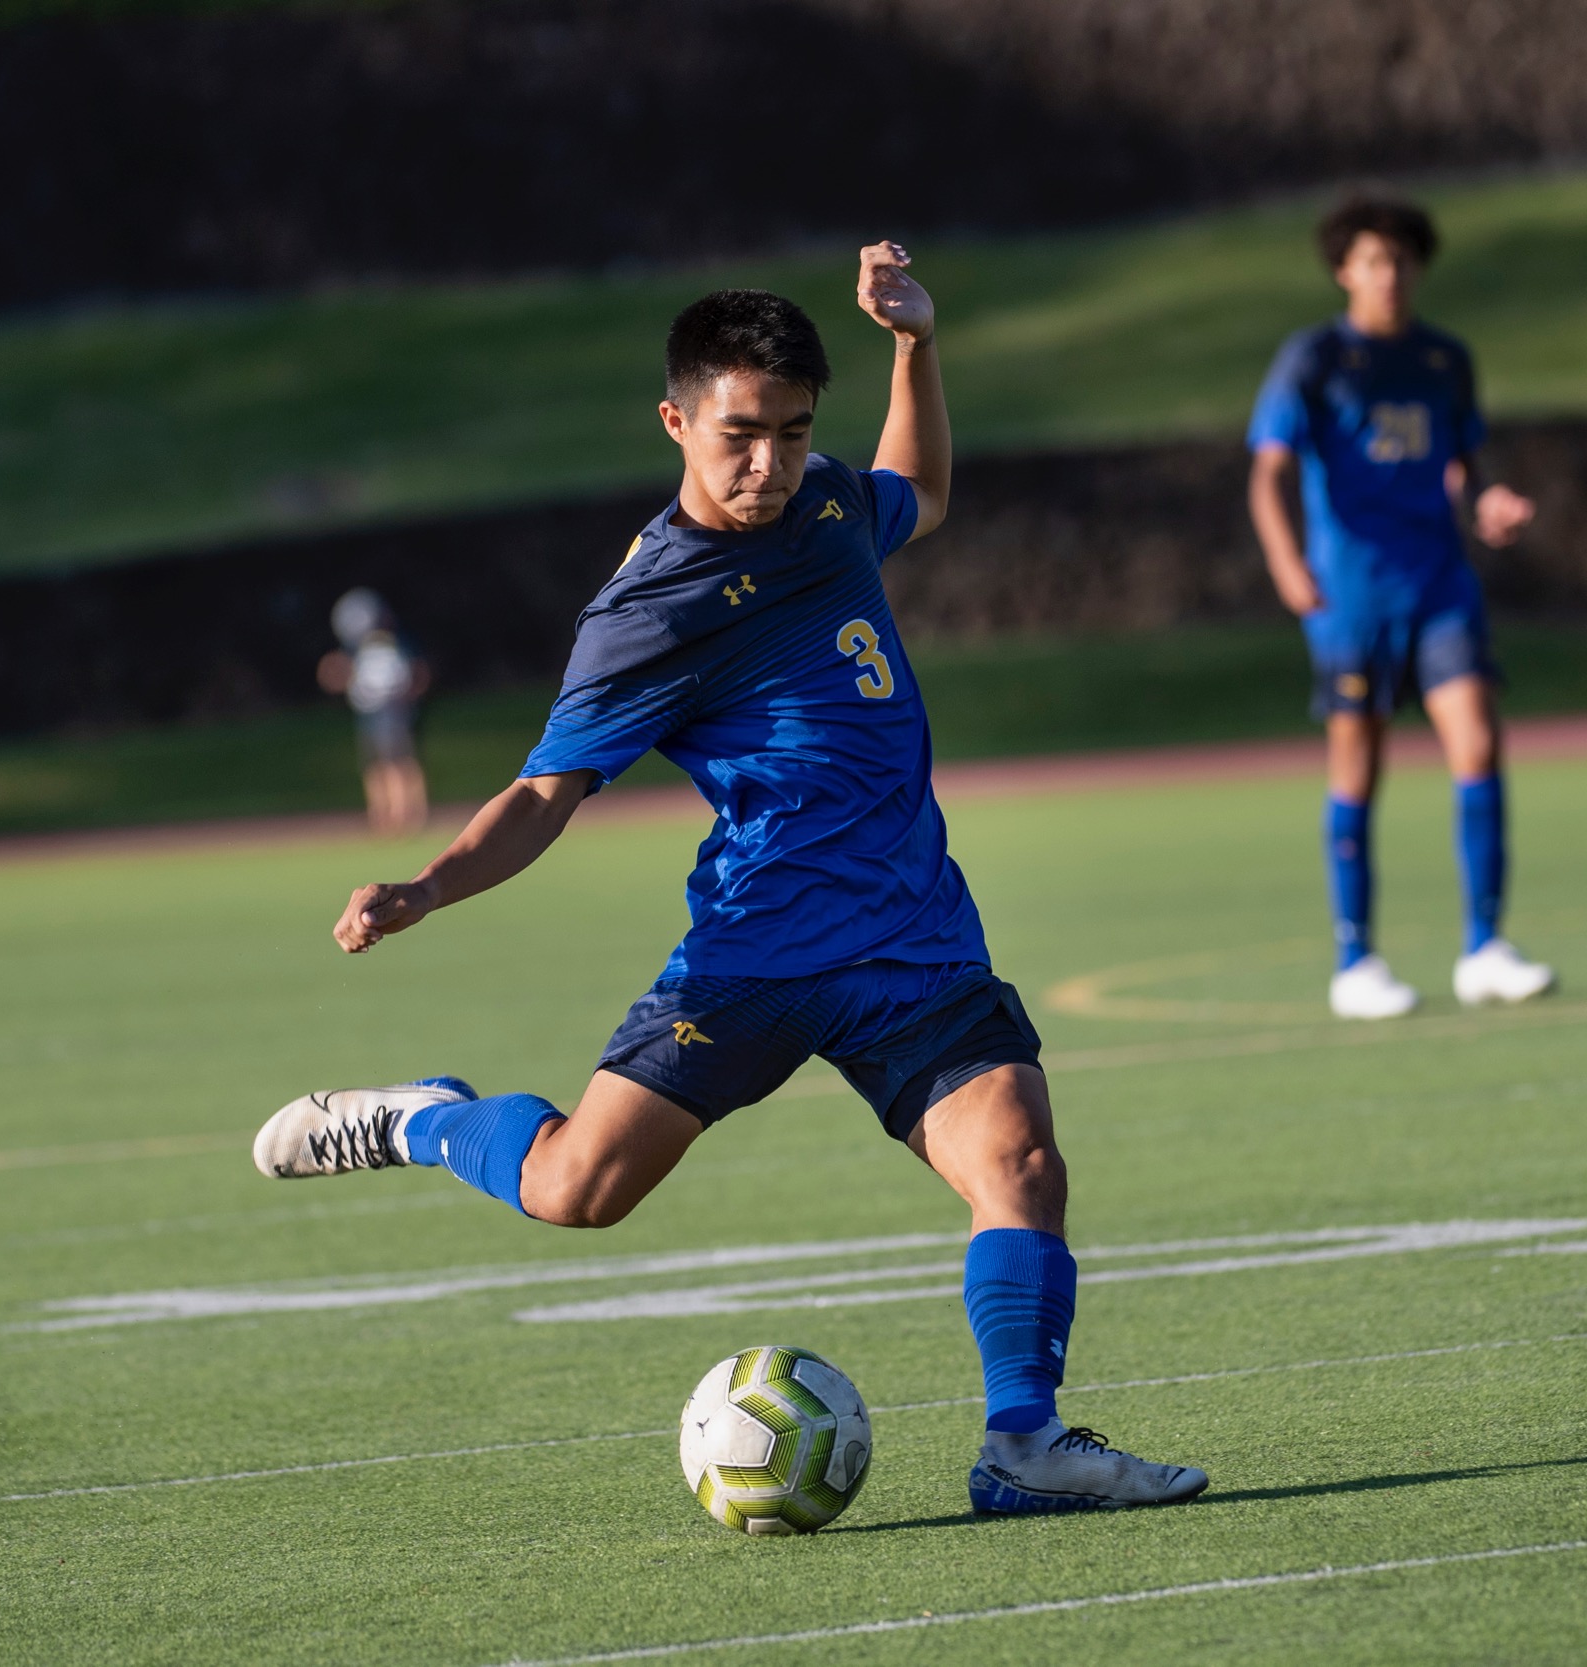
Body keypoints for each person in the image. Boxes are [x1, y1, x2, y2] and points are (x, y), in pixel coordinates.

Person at [252, 248, 1209, 1515]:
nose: (769, 462)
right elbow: (545, 793)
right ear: (676, 421)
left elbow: (914, 489)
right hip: (753, 952)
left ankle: (1021, 1444)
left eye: (793, 430)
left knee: (1020, 1163)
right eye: (740, 435)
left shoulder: (821, 503)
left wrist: (916, 347)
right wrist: (425, 885)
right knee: (574, 1191)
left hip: (911, 937)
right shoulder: (644, 613)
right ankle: (430, 1116)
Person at [1247, 194, 1555, 1020]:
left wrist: (1488, 500)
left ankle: (1484, 947)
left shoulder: (1445, 360)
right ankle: (1356, 960)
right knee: (1360, 766)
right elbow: (1269, 469)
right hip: (1351, 595)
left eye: (1403, 260)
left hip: (1441, 585)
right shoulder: (1313, 359)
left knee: (1480, 744)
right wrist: (1285, 561)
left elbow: (1466, 464)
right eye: (1374, 260)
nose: (1390, 275)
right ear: (1346, 270)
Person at [317, 588, 432, 836]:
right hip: (370, 713)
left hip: (397, 711)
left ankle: (411, 813)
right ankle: (382, 814)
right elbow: (335, 674)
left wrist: (411, 696)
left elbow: (418, 671)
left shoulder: (398, 642)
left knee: (402, 762)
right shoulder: (355, 650)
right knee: (376, 765)